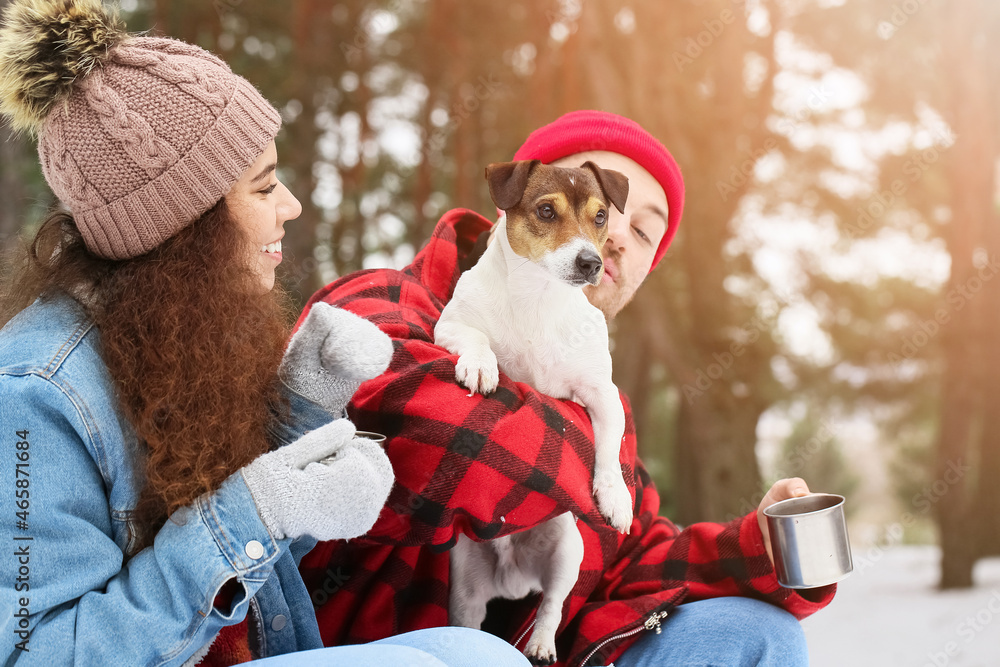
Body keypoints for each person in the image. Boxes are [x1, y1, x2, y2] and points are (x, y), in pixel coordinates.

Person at [0, 1, 530, 666]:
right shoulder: (33, 396)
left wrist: (298, 416)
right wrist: (262, 505)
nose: (292, 206)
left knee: (470, 649)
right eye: (264, 186)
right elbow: (35, 651)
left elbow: (242, 578)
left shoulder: (174, 333)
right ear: (186, 226)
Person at [295, 110, 836, 666]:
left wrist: (760, 548)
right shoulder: (382, 302)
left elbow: (636, 567)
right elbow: (438, 442)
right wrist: (601, 451)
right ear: (511, 202)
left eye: (636, 227)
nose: (610, 235)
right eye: (557, 209)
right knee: (477, 656)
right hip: (361, 649)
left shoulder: (602, 414)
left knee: (757, 635)